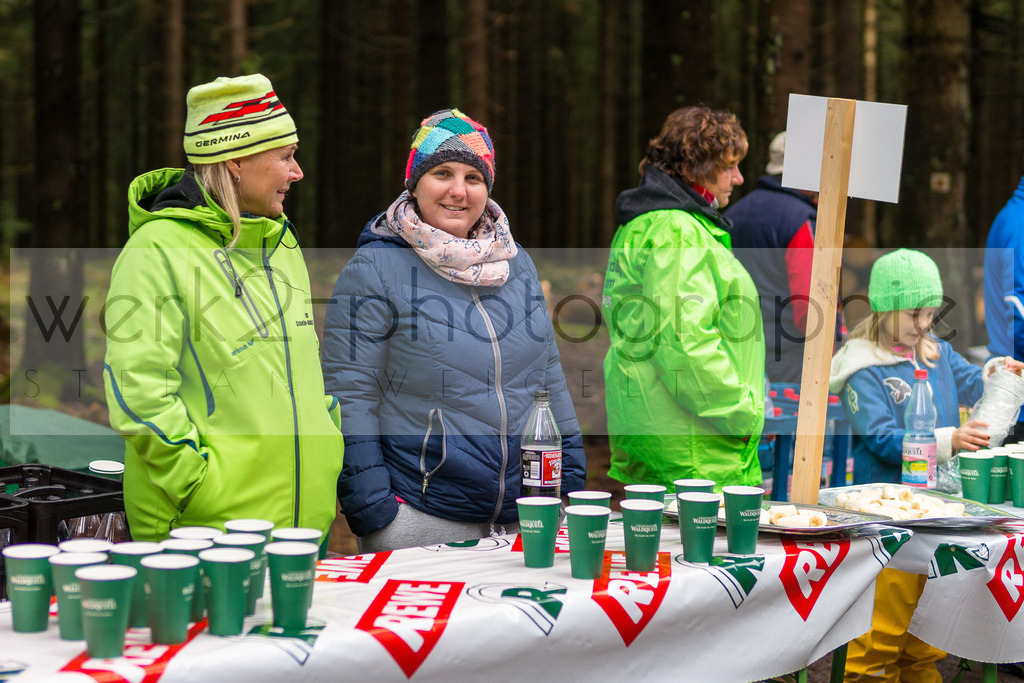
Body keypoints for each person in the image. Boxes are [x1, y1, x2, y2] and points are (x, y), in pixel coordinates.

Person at [322, 109, 585, 552]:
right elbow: (350, 396)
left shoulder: (515, 262)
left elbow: (548, 378)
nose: (458, 191)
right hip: (422, 516)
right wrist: (375, 510)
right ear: (415, 182)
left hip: (528, 513)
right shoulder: (375, 268)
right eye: (442, 173)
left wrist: (571, 486)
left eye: (473, 177)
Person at [103, 74, 344, 543]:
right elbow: (139, 390)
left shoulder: (281, 243)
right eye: (286, 157)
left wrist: (326, 443)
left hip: (302, 530)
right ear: (235, 160)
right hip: (205, 533)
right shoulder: (157, 249)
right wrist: (198, 485)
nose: (297, 172)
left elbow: (300, 374)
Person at [829, 248, 1022, 681]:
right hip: (885, 523)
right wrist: (948, 440)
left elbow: (973, 381)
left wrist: (999, 372)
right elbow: (879, 438)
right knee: (878, 639)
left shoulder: (936, 351)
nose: (922, 324)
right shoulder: (863, 368)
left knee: (925, 640)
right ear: (883, 308)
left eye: (930, 314)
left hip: (936, 515)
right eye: (913, 314)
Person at [602, 105, 764, 490]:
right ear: (695, 167)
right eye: (729, 166)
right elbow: (685, 342)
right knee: (706, 551)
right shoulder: (677, 231)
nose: (738, 178)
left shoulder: (648, 224)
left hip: (666, 430)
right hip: (695, 445)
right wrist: (744, 415)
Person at [725, 131, 840, 386]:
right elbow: (810, 310)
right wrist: (836, 354)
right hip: (791, 366)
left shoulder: (733, 213)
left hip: (737, 357)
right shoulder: (802, 220)